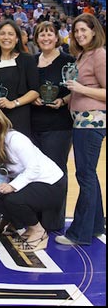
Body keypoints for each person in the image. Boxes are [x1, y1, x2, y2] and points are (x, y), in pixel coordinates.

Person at [0, 105, 66, 252]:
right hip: (32, 183)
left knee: (14, 200)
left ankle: (39, 232)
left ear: (0, 122)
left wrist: (12, 186)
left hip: (52, 184)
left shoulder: (15, 139)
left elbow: (34, 168)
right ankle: (26, 229)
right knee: (1, 201)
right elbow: (1, 173)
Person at [55, 13, 106, 246]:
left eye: (84, 30)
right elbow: (80, 88)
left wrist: (80, 89)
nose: (79, 34)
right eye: (76, 31)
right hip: (80, 120)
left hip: (91, 122)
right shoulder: (83, 55)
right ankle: (95, 226)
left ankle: (79, 233)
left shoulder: (99, 55)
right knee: (89, 175)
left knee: (85, 176)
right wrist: (65, 100)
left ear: (94, 31)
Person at [31, 21, 75, 230]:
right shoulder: (31, 62)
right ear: (36, 38)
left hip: (58, 126)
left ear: (57, 37)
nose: (46, 38)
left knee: (56, 173)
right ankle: (37, 220)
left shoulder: (68, 61)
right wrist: (31, 98)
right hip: (33, 125)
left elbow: (76, 89)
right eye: (42, 34)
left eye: (50, 34)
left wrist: (63, 101)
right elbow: (26, 88)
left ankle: (54, 222)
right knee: (36, 172)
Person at [0, 19, 40, 137]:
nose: (6, 37)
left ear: (17, 38)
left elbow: (35, 91)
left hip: (19, 119)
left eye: (10, 34)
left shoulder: (27, 60)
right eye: (2, 34)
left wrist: (13, 103)